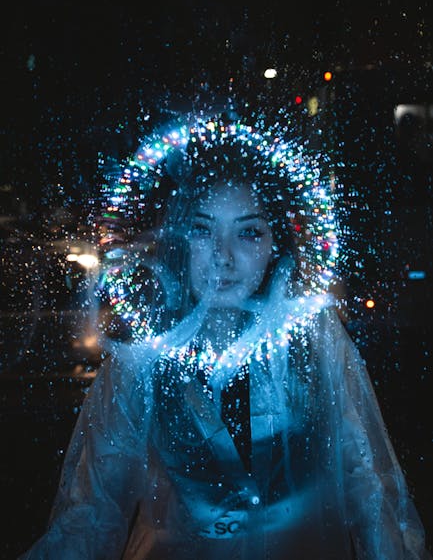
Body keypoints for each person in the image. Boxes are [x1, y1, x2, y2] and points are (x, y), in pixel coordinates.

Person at [20, 111, 430, 559]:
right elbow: (95, 508)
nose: (223, 257)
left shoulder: (316, 339)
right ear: (179, 238)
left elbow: (369, 483)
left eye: (248, 232)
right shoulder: (144, 356)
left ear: (276, 242)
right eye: (202, 230)